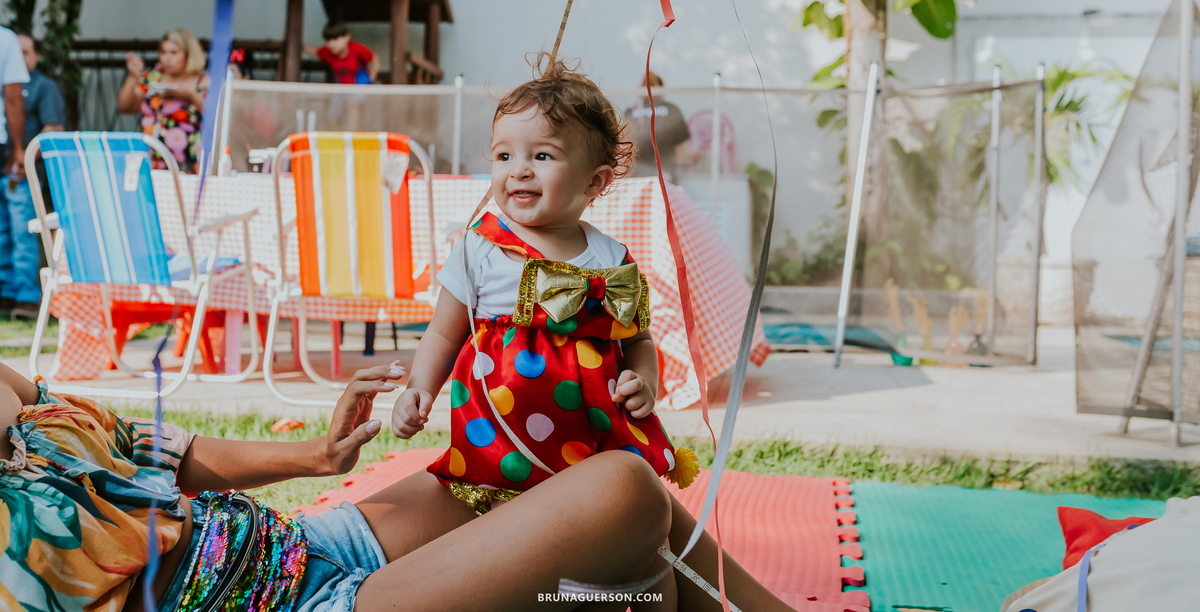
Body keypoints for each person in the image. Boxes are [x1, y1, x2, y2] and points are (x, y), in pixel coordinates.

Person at [0, 359, 793, 611]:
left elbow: (148, 450)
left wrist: (318, 455)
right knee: (620, 491)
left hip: (292, 543)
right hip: (276, 607)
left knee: (531, 470)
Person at [394, 56, 697, 521]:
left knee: (603, 521)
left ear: (594, 181)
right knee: (505, 532)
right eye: (503, 155)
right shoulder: (479, 248)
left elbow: (638, 340)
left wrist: (646, 382)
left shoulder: (612, 258)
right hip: (500, 436)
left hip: (592, 436)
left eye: (542, 156)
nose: (518, 170)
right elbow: (442, 333)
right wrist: (419, 389)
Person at [0, 34, 65, 320]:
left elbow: (53, 128)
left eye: (25, 52)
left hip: (23, 171)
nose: (21, 57)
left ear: (37, 55)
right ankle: (6, 293)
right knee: (2, 234)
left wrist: (23, 156)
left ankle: (26, 298)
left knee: (23, 232)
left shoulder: (43, 86)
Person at [116, 28, 208, 173]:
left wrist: (190, 96)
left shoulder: (203, 80)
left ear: (189, 54)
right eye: (163, 52)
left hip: (187, 160)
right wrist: (133, 76)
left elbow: (217, 115)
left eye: (173, 52)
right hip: (149, 156)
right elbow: (125, 107)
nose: (167, 58)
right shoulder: (155, 76)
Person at [623, 71, 700, 183]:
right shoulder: (672, 109)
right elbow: (681, 154)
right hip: (665, 178)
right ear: (661, 88)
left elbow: (624, 152)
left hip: (637, 179)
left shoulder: (630, 111)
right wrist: (697, 157)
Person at [0, 26, 28, 317]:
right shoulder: (5, 39)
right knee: (15, 226)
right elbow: (13, 97)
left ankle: (9, 294)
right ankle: (21, 296)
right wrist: (18, 148)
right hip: (0, 142)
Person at [304, 22, 379, 84]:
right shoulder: (327, 51)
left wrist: (373, 74)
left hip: (361, 85)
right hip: (341, 87)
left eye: (335, 39)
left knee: (352, 102)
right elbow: (315, 51)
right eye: (328, 40)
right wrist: (298, 44)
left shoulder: (357, 49)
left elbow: (373, 57)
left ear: (347, 37)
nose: (331, 44)